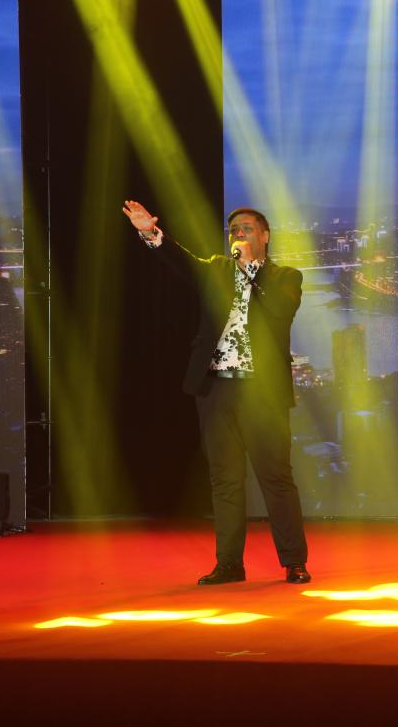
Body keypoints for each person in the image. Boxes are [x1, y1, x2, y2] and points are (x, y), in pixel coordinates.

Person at [122, 199, 311, 585]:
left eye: (246, 228)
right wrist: (150, 232)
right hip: (216, 389)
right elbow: (179, 262)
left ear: (264, 236)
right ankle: (229, 564)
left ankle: (294, 561)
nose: (238, 234)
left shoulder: (286, 278)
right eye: (234, 230)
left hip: (263, 394)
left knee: (275, 477)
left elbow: (278, 311)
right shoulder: (216, 270)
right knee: (225, 479)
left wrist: (249, 271)